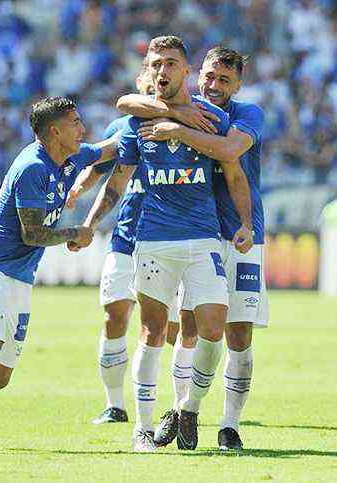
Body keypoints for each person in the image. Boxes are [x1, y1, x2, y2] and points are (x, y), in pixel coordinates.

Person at [73, 36, 253, 452]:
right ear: (148, 70)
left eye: (171, 63)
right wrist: (81, 193)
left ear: (186, 71)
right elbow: (118, 171)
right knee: (153, 332)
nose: (162, 71)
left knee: (212, 331)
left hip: (203, 237)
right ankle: (142, 429)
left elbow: (233, 172)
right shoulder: (136, 120)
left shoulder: (211, 118)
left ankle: (187, 407)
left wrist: (245, 223)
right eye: (156, 64)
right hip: (153, 240)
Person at [0, 97, 117, 455]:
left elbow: (110, 149)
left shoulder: (70, 156)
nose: (83, 129)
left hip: (20, 276)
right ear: (55, 132)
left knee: (0, 378)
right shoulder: (32, 167)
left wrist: (157, 120)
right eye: (76, 123)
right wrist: (76, 233)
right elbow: (32, 234)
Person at [117, 46, 266, 452]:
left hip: (234, 232)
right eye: (211, 77)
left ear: (238, 84)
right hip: (175, 236)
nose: (215, 86)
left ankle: (224, 423)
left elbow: (230, 156)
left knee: (236, 332)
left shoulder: (240, 117)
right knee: (181, 329)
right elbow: (125, 104)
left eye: (225, 80)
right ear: (195, 74)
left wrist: (179, 128)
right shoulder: (154, 113)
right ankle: (171, 415)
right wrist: (177, 114)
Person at [64, 69, 182, 425]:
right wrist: (78, 193)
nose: (152, 91)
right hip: (127, 237)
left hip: (170, 239)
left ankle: (180, 405)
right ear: (140, 89)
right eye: (147, 85)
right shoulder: (123, 128)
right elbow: (102, 170)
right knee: (115, 314)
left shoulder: (183, 128)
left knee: (173, 328)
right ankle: (115, 405)